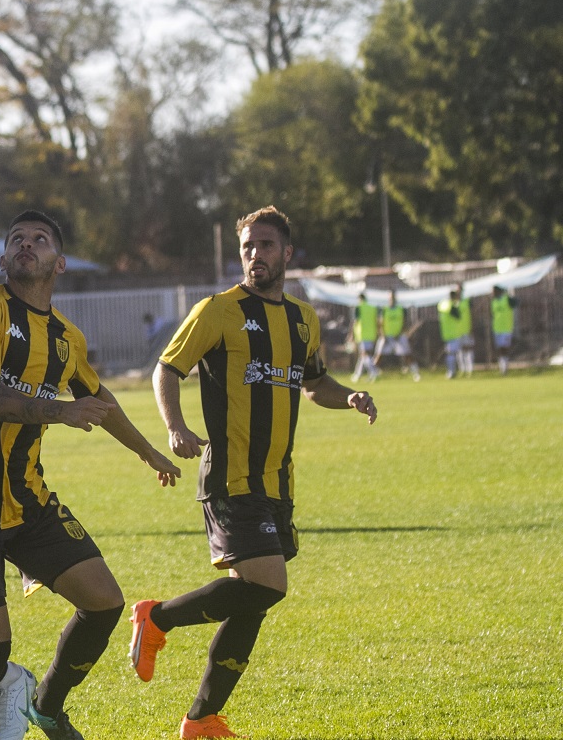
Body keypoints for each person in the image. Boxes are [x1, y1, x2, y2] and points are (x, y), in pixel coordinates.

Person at [0, 210, 182, 740]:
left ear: (58, 263)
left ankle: (46, 705)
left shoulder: (65, 338)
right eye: (16, 238)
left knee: (105, 601)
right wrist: (61, 412)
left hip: (27, 501)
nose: (26, 244)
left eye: (39, 240)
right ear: (3, 259)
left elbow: (98, 398)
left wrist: (148, 451)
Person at [133, 206, 377, 740]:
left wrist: (350, 396)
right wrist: (175, 426)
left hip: (277, 482)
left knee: (252, 600)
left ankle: (201, 722)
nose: (254, 255)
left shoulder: (302, 319)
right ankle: (156, 619)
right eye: (247, 246)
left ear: (287, 253)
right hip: (230, 477)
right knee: (268, 585)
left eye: (265, 245)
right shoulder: (218, 311)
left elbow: (314, 384)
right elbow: (167, 368)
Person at [373, 289, 420, 381]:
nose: (392, 299)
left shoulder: (400, 309)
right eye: (390, 297)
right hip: (387, 336)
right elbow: (380, 323)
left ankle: (416, 373)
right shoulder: (384, 310)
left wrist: (400, 333)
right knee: (378, 355)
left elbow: (405, 322)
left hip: (399, 336)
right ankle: (373, 374)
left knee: (407, 355)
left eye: (393, 297)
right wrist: (383, 335)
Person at [438, 286, 467, 379]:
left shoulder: (443, 304)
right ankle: (451, 372)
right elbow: (458, 316)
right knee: (452, 354)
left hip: (445, 333)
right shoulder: (452, 306)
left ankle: (452, 371)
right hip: (453, 333)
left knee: (450, 353)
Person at [350, 292, 380, 383]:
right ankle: (357, 374)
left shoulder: (358, 308)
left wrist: (351, 335)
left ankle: (374, 371)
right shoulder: (372, 308)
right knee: (363, 355)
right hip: (371, 334)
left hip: (362, 334)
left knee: (365, 354)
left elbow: (355, 322)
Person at [490, 285, 519, 375]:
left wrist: (508, 295)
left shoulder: (506, 299)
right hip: (497, 328)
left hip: (506, 328)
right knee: (499, 348)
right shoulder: (493, 302)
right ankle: (501, 367)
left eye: (493, 291)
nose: (492, 293)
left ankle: (505, 367)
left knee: (504, 348)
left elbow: (516, 302)